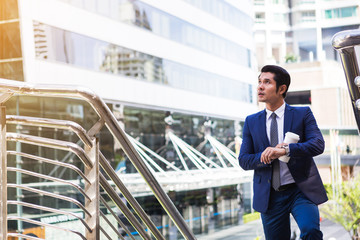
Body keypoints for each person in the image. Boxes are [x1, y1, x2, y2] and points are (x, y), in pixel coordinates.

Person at [238, 65, 328, 240]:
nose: (260, 87)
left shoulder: (302, 114)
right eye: (259, 82)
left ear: (282, 89)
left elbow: (318, 144)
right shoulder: (251, 122)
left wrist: (286, 149)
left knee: (310, 230)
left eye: (266, 82)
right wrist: (267, 155)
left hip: (300, 190)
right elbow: (244, 160)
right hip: (270, 196)